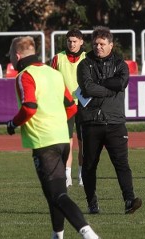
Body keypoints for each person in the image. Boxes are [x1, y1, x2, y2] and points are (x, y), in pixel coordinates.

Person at [5, 36, 105, 239]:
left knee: (58, 195)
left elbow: (29, 107)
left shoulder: (25, 76)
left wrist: (13, 123)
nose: (10, 60)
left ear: (17, 56)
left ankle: (91, 238)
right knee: (55, 193)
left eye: (11, 56)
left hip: (44, 141)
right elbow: (71, 106)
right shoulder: (54, 73)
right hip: (62, 138)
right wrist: (58, 123)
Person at [76, 26, 142, 215]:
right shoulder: (85, 64)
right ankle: (92, 203)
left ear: (111, 45)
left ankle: (129, 200)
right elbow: (87, 89)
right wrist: (110, 87)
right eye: (96, 44)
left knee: (122, 164)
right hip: (91, 123)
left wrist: (101, 85)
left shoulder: (120, 64)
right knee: (89, 165)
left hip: (115, 122)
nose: (98, 47)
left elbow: (121, 83)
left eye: (102, 44)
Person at [50, 28, 87, 188]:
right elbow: (50, 80)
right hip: (65, 106)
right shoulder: (58, 58)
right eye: (69, 41)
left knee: (84, 142)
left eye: (75, 41)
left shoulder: (88, 58)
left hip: (85, 105)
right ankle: (67, 176)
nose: (72, 44)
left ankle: (82, 174)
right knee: (67, 142)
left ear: (81, 42)